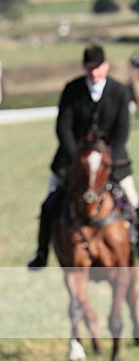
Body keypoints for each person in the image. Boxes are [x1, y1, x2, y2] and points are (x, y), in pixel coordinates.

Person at [27, 42, 139, 269]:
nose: (94, 73)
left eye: (98, 68)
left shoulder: (119, 91)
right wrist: (77, 158)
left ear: (106, 67)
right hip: (72, 162)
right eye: (89, 69)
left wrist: (106, 159)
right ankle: (41, 254)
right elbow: (63, 127)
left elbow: (122, 130)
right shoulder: (72, 90)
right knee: (48, 203)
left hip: (112, 161)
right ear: (84, 68)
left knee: (133, 202)